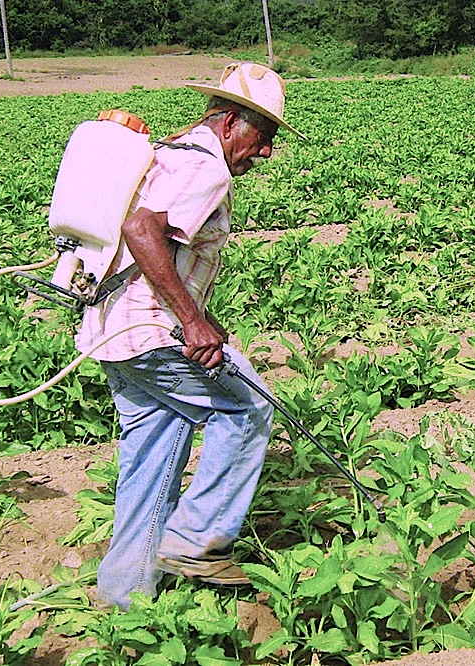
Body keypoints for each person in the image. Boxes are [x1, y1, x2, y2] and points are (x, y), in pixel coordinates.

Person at [75, 62, 306, 609]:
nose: (267, 151)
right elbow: (141, 231)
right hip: (151, 330)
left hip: (112, 332)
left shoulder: (171, 155)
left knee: (152, 454)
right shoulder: (206, 169)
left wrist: (197, 312)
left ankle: (122, 595)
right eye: (263, 135)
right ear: (229, 123)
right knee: (247, 410)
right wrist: (192, 319)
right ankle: (196, 540)